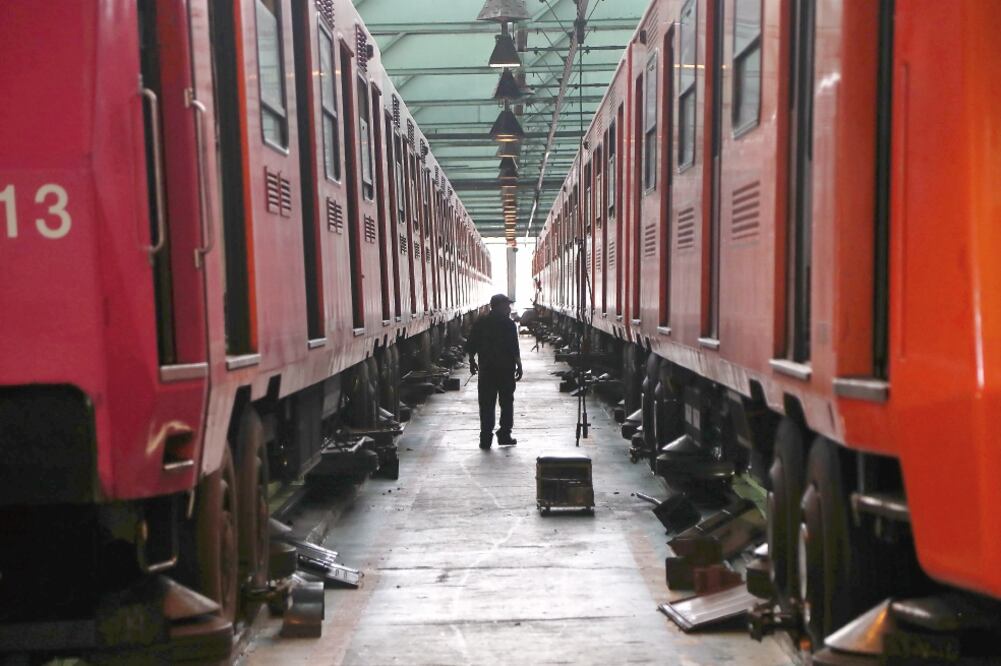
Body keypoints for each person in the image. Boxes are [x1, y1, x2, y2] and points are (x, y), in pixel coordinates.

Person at [466, 294, 523, 449]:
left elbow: (471, 344)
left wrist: (472, 361)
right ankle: (504, 434)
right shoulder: (508, 324)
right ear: (497, 306)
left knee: (486, 404)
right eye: (506, 305)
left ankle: (485, 438)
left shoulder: (481, 322)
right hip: (505, 369)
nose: (509, 308)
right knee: (506, 402)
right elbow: (514, 347)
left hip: (487, 370)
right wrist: (519, 365)